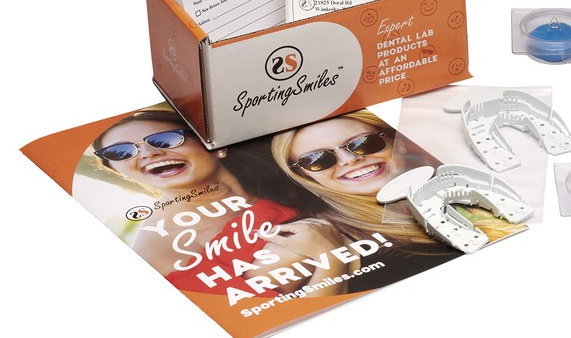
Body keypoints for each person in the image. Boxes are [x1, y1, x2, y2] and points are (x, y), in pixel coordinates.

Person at [91, 107, 348, 297]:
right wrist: (331, 258)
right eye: (120, 152)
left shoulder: (292, 162)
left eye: (165, 139)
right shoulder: (159, 253)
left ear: (214, 145)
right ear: (118, 170)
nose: (149, 153)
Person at [268, 110, 526, 288]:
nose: (350, 160)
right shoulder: (302, 241)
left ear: (396, 141)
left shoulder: (459, 175)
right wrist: (330, 261)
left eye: (363, 143)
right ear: (304, 175)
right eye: (317, 160)